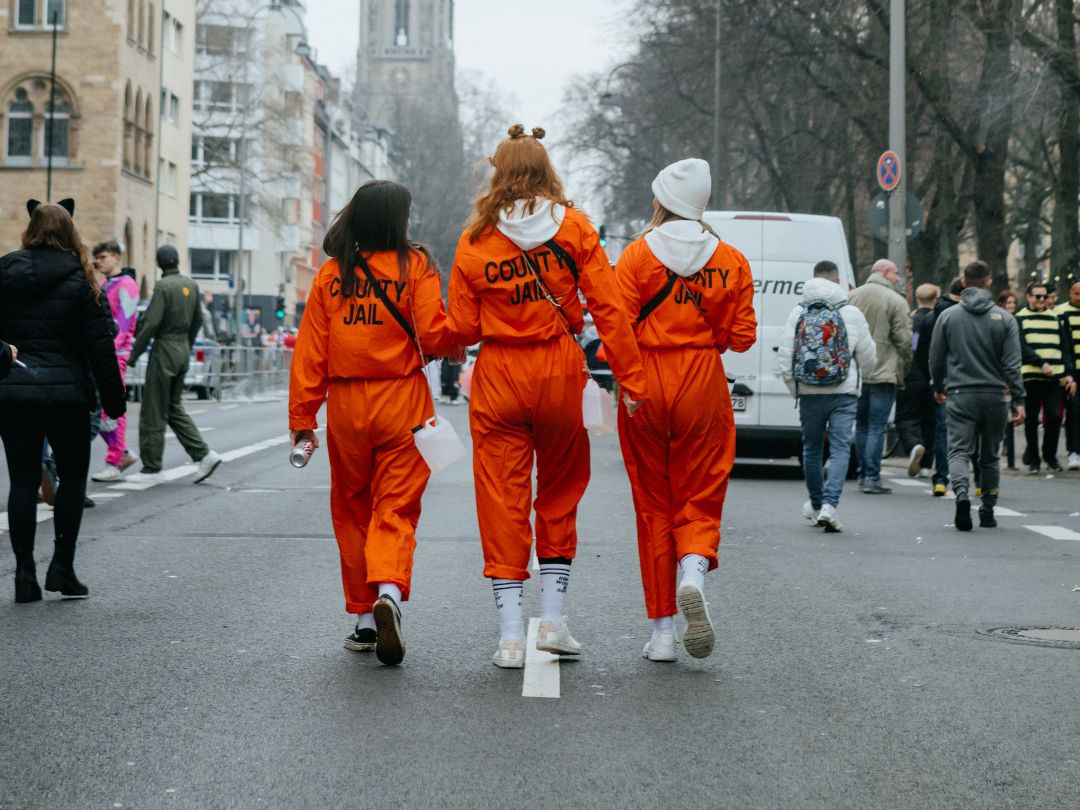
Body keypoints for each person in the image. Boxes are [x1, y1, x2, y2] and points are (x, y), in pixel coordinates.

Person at [448, 125, 647, 669]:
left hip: (499, 376)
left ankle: (511, 636)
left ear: (499, 171)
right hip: (559, 370)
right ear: (546, 169)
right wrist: (630, 379)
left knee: (500, 499)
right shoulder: (576, 228)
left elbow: (463, 329)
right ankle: (553, 621)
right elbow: (609, 308)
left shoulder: (475, 240)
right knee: (559, 492)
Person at [290, 180, 461, 666]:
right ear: (396, 219)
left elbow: (310, 353)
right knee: (396, 507)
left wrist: (304, 419)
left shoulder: (331, 274)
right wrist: (466, 335)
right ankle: (388, 588)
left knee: (351, 508)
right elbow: (434, 333)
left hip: (346, 404)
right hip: (403, 400)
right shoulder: (416, 265)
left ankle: (365, 621)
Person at [613, 159, 756, 662]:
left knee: (653, 502)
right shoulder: (732, 259)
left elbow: (616, 327)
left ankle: (662, 634)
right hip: (702, 381)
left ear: (661, 200)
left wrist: (629, 383)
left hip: (645, 381)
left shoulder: (635, 256)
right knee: (701, 488)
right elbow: (742, 337)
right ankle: (693, 571)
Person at [0, 199, 126, 601]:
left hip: (15, 393)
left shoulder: (4, 271)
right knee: (71, 479)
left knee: (22, 482)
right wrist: (114, 399)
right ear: (69, 230)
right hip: (68, 396)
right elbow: (100, 346)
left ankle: (23, 575)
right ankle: (63, 567)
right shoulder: (82, 278)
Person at [778, 261, 875, 533]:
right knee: (841, 447)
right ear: (838, 281)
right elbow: (868, 357)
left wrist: (796, 388)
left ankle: (818, 503)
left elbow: (785, 358)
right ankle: (830, 506)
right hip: (843, 392)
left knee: (811, 449)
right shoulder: (852, 313)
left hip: (809, 392)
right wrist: (858, 380)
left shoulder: (798, 312)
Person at [930, 261, 1025, 530]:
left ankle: (961, 495)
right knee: (990, 455)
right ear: (989, 282)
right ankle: (987, 509)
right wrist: (1019, 400)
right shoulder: (1005, 318)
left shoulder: (948, 317)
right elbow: (1012, 365)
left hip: (961, 394)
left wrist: (938, 386)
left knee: (958, 451)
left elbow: (936, 358)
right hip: (995, 396)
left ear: (963, 282)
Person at [126, 245, 222, 484]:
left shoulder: (163, 286)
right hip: (181, 350)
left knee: (153, 409)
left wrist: (135, 354)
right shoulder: (191, 284)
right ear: (177, 261)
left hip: (164, 351)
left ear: (159, 265)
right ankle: (204, 454)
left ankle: (151, 468)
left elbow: (151, 323)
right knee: (173, 407)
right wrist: (186, 345)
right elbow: (198, 319)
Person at [849, 259, 912, 493]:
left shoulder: (853, 296)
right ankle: (871, 477)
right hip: (884, 370)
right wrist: (904, 365)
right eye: (896, 273)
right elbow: (905, 340)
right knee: (877, 425)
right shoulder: (896, 301)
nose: (897, 278)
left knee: (862, 424)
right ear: (885, 272)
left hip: (857, 371)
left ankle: (862, 472)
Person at [88, 240, 140, 481]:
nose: (98, 262)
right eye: (96, 258)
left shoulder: (127, 285)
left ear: (117, 258)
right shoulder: (103, 284)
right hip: (104, 353)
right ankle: (122, 453)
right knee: (97, 410)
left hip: (114, 355)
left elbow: (125, 323)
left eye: (104, 257)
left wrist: (107, 350)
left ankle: (116, 458)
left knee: (112, 408)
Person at [1015, 280, 1076, 474]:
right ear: (1029, 297)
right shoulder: (1020, 318)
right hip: (1031, 377)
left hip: (1054, 377)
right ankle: (1034, 458)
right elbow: (1021, 347)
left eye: (1044, 296)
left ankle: (1049, 456)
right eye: (1037, 296)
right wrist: (1041, 363)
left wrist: (1068, 374)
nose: (1042, 300)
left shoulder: (1056, 318)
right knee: (1032, 419)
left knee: (1055, 416)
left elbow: (1065, 348)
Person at [895, 283, 940, 478]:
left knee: (906, 417)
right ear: (935, 299)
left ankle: (914, 444)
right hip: (932, 377)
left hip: (912, 376)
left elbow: (911, 347)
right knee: (929, 421)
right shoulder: (937, 320)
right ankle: (926, 465)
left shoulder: (913, 321)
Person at [1056, 279, 1080, 469]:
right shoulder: (1061, 313)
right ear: (1069, 294)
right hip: (1072, 372)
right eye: (1076, 294)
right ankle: (1073, 451)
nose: (1079, 298)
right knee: (1074, 412)